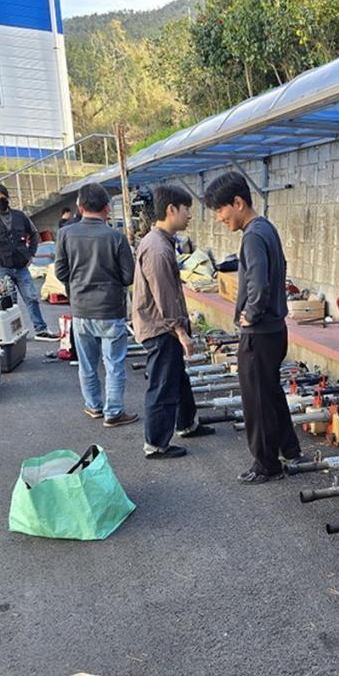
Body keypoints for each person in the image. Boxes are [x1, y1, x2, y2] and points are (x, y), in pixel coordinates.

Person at [204, 171, 304, 484]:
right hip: (275, 330)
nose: (220, 218)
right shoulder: (265, 228)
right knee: (270, 392)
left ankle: (266, 465)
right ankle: (290, 449)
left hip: (259, 333)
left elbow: (258, 284)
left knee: (256, 401)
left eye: (221, 210)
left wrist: (251, 313)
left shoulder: (252, 236)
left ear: (238, 202)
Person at [132, 184, 213, 459]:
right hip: (160, 328)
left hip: (160, 325)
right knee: (163, 385)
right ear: (171, 210)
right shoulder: (158, 249)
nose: (189, 215)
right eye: (186, 209)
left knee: (177, 378)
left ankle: (187, 424)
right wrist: (181, 331)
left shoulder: (160, 241)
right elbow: (164, 296)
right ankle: (155, 444)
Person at [54, 182, 138, 427]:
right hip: (110, 309)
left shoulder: (65, 234)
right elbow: (128, 277)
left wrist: (78, 281)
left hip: (81, 309)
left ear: (80, 207)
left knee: (87, 364)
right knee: (114, 365)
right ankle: (114, 412)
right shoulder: (116, 237)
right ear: (107, 208)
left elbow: (60, 272)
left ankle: (93, 405)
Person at [0, 183, 58, 340]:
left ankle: (41, 329)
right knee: (9, 303)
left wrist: (31, 254)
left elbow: (34, 234)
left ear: (8, 197)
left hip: (21, 266)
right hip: (2, 266)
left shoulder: (20, 216)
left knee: (31, 298)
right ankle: (13, 334)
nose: (0, 202)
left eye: (2, 198)